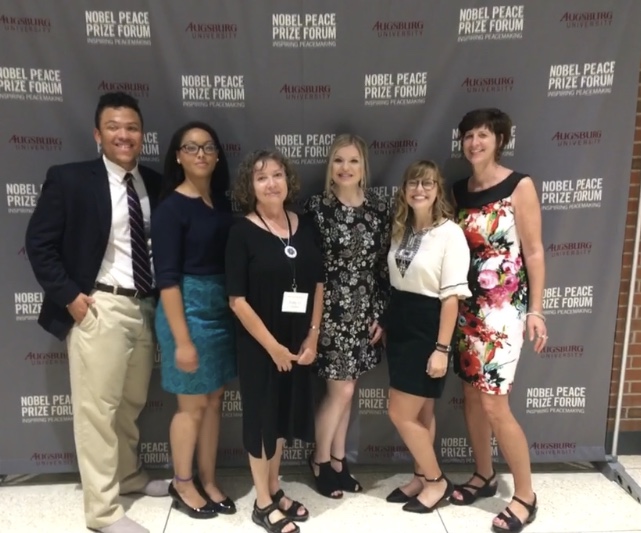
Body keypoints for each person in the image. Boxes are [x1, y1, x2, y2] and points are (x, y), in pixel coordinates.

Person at [25, 92, 167, 533]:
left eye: (131, 128)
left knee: (130, 403)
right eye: (114, 127)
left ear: (142, 135)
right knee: (97, 410)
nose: (124, 135)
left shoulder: (155, 183)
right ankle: (102, 512)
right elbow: (39, 243)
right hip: (98, 306)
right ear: (97, 134)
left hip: (144, 305)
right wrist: (71, 297)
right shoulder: (69, 179)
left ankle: (127, 476)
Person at [450, 108, 547, 533]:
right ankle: (484, 474)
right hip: (466, 308)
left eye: (483, 135)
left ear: (500, 139)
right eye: (468, 135)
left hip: (504, 310)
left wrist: (537, 310)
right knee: (472, 397)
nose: (474, 142)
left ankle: (525, 495)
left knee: (494, 402)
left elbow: (535, 251)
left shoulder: (518, 186)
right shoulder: (458, 191)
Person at [225, 150, 323, 533]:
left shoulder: (305, 224)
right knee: (261, 420)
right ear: (250, 187)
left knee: (282, 418)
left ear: (288, 180)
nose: (271, 183)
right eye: (262, 177)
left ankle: (275, 486)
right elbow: (237, 300)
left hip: (298, 345)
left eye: (278, 175)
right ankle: (262, 503)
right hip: (261, 345)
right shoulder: (241, 231)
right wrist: (273, 348)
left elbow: (318, 284)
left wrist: (312, 338)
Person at [152, 121, 237, 518]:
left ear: (218, 155)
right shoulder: (170, 207)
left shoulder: (223, 203)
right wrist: (183, 340)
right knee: (191, 406)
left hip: (221, 312)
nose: (200, 153)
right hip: (184, 312)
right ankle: (182, 483)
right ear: (178, 156)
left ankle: (208, 477)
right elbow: (167, 281)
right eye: (191, 147)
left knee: (215, 400)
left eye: (208, 146)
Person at [304, 133, 390, 499]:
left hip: (364, 312)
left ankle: (339, 460)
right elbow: (308, 267)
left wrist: (380, 314)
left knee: (348, 389)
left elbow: (384, 268)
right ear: (330, 165)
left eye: (353, 160)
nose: (345, 168)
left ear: (363, 166)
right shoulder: (316, 208)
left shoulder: (378, 210)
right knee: (341, 389)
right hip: (329, 311)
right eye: (338, 160)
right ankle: (320, 460)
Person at [384, 161, 471, 513]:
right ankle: (420, 475)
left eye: (428, 184)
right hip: (401, 324)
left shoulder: (450, 233)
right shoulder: (400, 229)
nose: (419, 190)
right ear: (404, 189)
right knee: (421, 415)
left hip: (428, 328)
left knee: (399, 413)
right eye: (413, 183)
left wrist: (441, 349)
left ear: (438, 189)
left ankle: (437, 481)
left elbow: (451, 299)